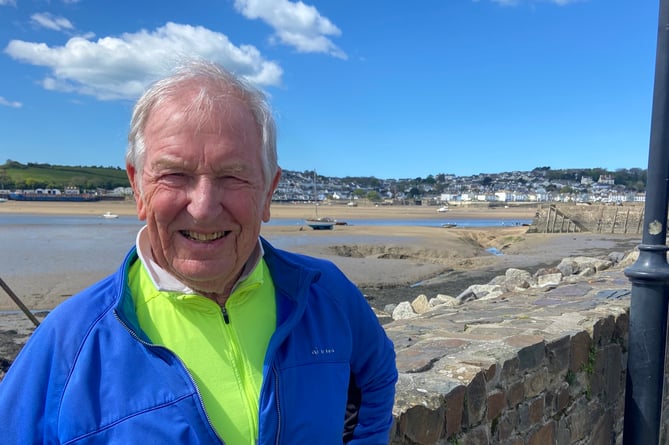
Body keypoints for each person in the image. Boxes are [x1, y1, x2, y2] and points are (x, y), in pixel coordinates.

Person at [0, 60, 398, 444]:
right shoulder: (69, 341)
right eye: (175, 174)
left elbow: (377, 376)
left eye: (232, 175)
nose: (204, 208)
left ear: (268, 191)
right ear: (138, 187)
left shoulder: (324, 292)